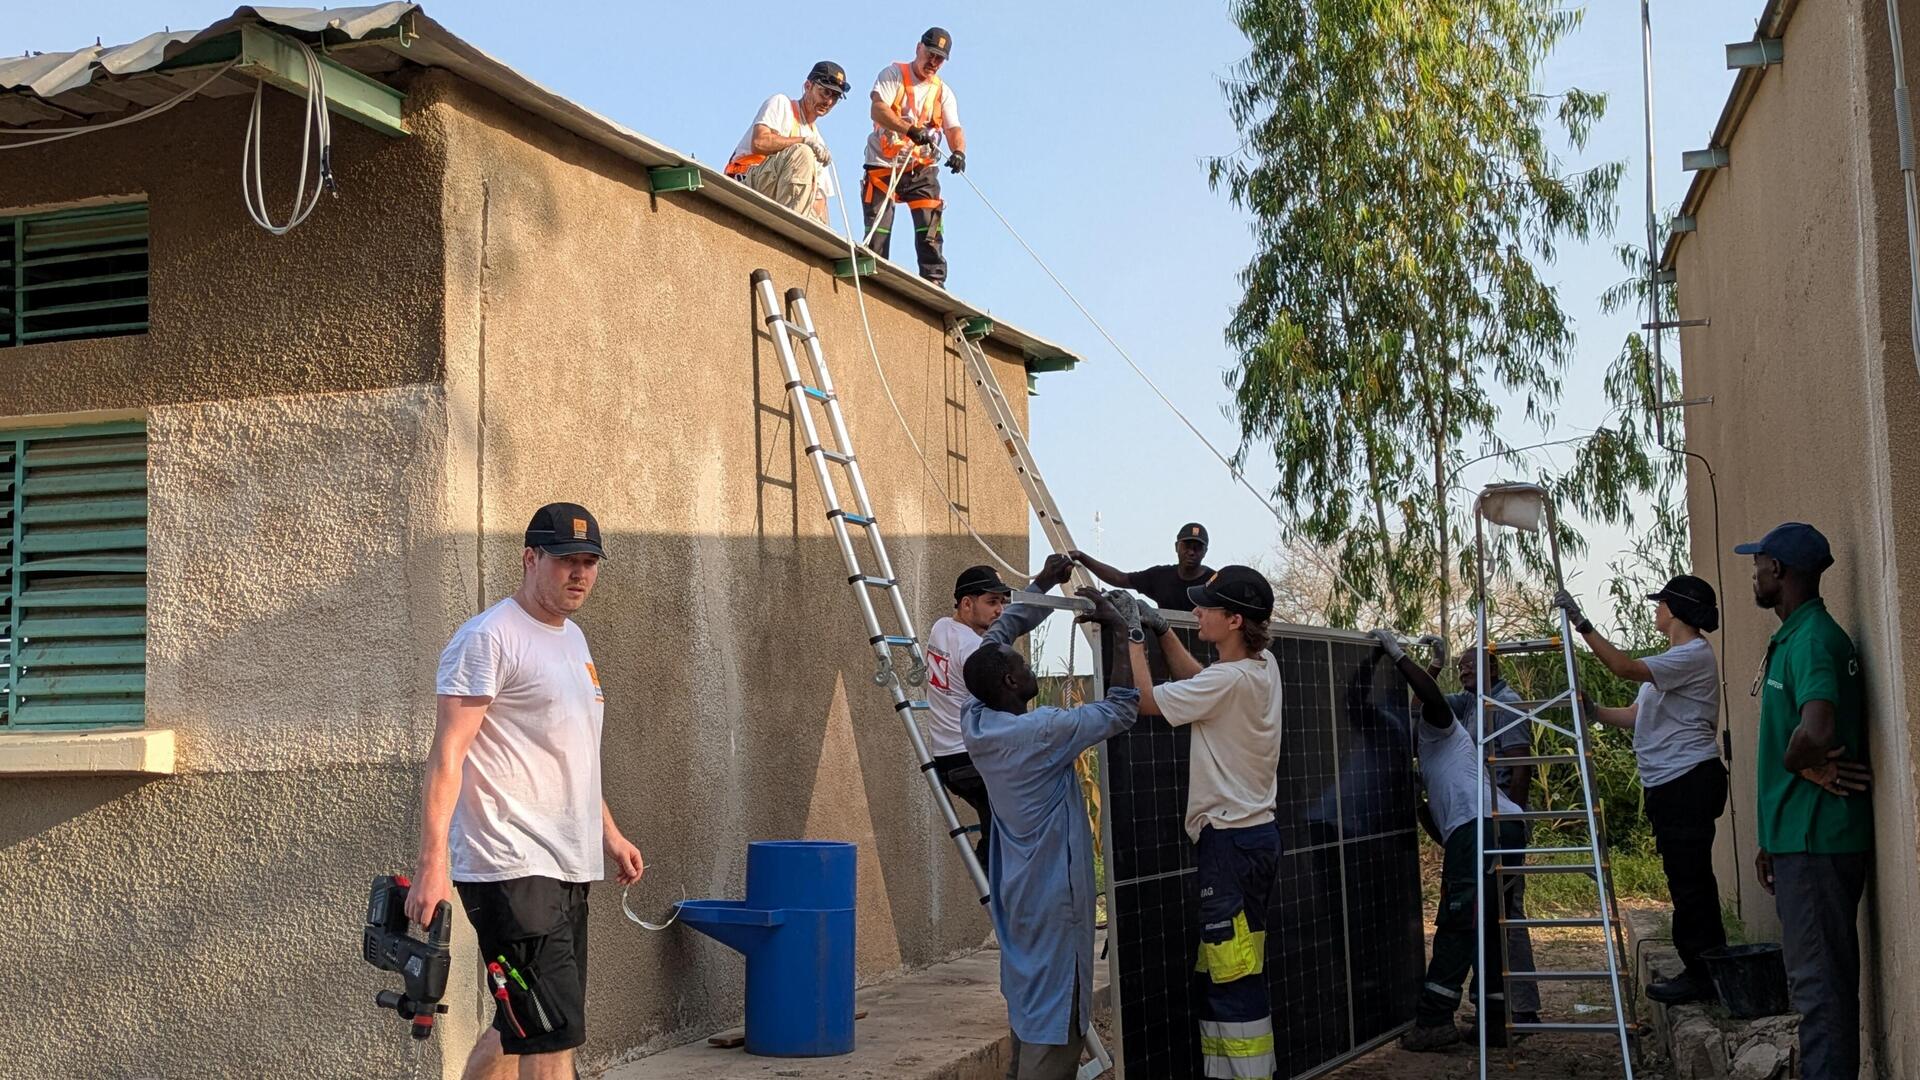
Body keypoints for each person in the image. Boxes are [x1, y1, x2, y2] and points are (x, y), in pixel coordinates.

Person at [406, 503, 646, 1080]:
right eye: (567, 561)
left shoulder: (573, 639)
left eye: (589, 562)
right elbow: (447, 757)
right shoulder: (488, 639)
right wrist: (432, 864)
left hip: (567, 860)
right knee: (549, 1037)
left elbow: (571, 752)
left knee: (522, 1024)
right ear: (530, 558)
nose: (580, 574)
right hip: (508, 861)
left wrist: (608, 833)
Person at [962, 558, 1141, 1080]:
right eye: (1020, 662)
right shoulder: (1040, 733)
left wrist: (1041, 585)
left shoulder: (978, 720)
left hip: (1019, 891)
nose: (1025, 662)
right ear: (1014, 680)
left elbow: (999, 632)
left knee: (1030, 998)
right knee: (1058, 1013)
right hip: (1053, 900)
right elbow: (1123, 708)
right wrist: (1122, 629)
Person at [1123, 566, 1284, 1080]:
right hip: (1253, 839)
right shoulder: (1262, 668)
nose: (1196, 611)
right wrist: (1165, 631)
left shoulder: (1231, 679)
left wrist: (1132, 637)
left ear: (1234, 619)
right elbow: (1201, 683)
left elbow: (1147, 701)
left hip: (1230, 847)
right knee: (1230, 962)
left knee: (1232, 970)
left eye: (1206, 607)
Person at [1736, 522, 1872, 1080]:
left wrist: (1800, 761)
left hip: (1818, 842)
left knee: (1821, 992)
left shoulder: (1813, 639)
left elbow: (1815, 726)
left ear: (1781, 572)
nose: (1754, 571)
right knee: (1818, 983)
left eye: (1759, 562)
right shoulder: (1796, 635)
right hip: (1798, 838)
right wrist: (1771, 837)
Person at [1557, 574, 1729, 1005]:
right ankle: (1703, 969)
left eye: (1660, 604)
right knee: (1684, 877)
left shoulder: (1691, 655)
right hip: (1672, 784)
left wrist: (1582, 624)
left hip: (1686, 780)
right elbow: (1637, 715)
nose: (1656, 610)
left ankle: (1703, 973)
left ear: (1674, 610)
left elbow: (1623, 667)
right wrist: (1594, 711)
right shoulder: (1675, 661)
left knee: (1691, 882)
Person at [1372, 629, 1526, 1052]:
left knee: (1458, 922)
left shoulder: (1439, 729)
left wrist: (1401, 657)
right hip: (1502, 826)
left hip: (1482, 826)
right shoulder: (1429, 762)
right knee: (1488, 925)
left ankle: (1435, 1021)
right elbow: (1432, 818)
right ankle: (1494, 1022)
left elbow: (1427, 698)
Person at [1436, 645, 1539, 1025]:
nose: (1463, 672)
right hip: (1485, 819)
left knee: (1507, 911)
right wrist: (1433, 664)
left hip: (1501, 821)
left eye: (1469, 667)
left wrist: (1512, 819)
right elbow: (1421, 704)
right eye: (1460, 667)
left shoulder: (1505, 703)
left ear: (1492, 666)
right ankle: (1500, 1005)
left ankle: (1523, 1009)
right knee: (1490, 912)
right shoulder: (1470, 703)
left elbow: (1520, 764)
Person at [924, 564, 1016, 865]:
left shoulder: (940, 628)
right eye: (992, 602)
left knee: (997, 812)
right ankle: (992, 865)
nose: (1000, 610)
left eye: (1003, 602)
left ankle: (992, 859)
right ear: (967, 603)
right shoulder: (974, 650)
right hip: (970, 760)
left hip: (946, 758)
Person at [862, 27, 966, 286]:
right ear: (918, 48)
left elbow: (953, 128)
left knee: (930, 231)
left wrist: (958, 152)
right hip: (883, 165)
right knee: (879, 233)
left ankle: (934, 283)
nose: (933, 62)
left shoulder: (943, 93)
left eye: (939, 59)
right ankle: (875, 280)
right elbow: (878, 109)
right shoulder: (893, 75)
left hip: (921, 170)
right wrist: (909, 129)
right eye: (930, 54)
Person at [725, 61, 850, 224]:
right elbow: (759, 142)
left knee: (817, 198)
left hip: (780, 194)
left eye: (835, 97)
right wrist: (803, 141)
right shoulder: (781, 105)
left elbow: (820, 200)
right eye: (825, 92)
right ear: (808, 86)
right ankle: (790, 228)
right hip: (747, 182)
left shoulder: (818, 140)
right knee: (803, 153)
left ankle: (798, 239)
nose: (829, 102)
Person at [1070, 522, 1214, 612]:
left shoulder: (1215, 582)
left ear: (1205, 551)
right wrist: (1082, 557)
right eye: (1187, 546)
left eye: (1197, 548)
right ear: (1177, 547)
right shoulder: (1160, 576)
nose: (1191, 552)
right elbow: (1120, 578)